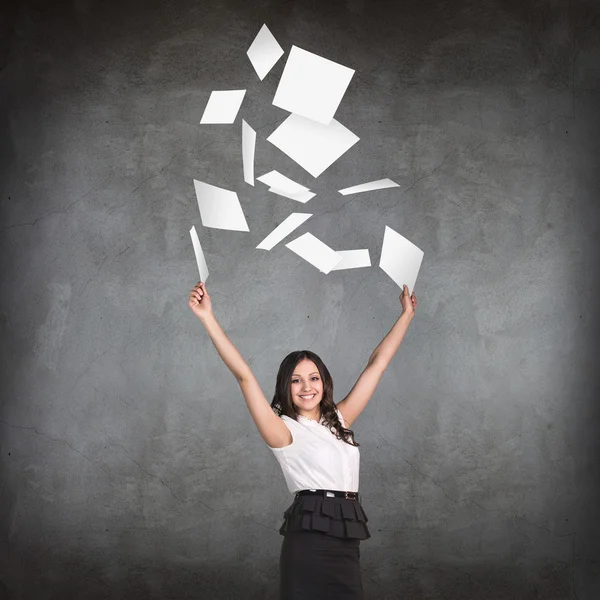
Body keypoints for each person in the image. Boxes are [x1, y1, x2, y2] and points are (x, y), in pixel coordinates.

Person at [188, 280, 417, 600]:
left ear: (324, 383)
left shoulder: (338, 421)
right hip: (309, 543)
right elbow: (244, 376)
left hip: (346, 543)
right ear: (285, 386)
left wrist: (406, 314)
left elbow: (376, 365)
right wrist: (207, 317)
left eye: (313, 378)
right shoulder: (281, 429)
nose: (306, 386)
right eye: (296, 380)